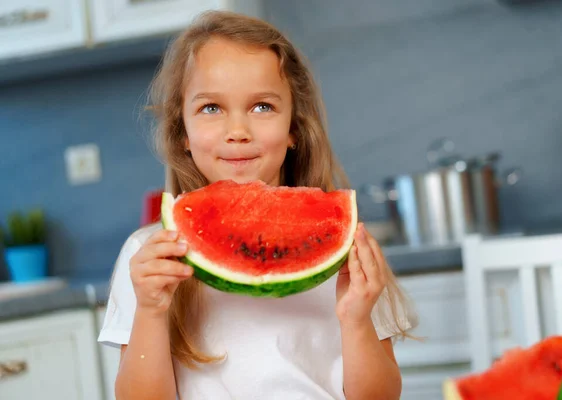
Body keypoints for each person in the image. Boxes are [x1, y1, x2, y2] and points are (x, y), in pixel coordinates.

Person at [98, 10, 418, 400]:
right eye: (211, 108)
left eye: (262, 107)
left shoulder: (349, 251)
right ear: (183, 131)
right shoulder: (151, 258)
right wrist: (149, 311)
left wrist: (356, 320)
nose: (237, 132)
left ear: (294, 129)